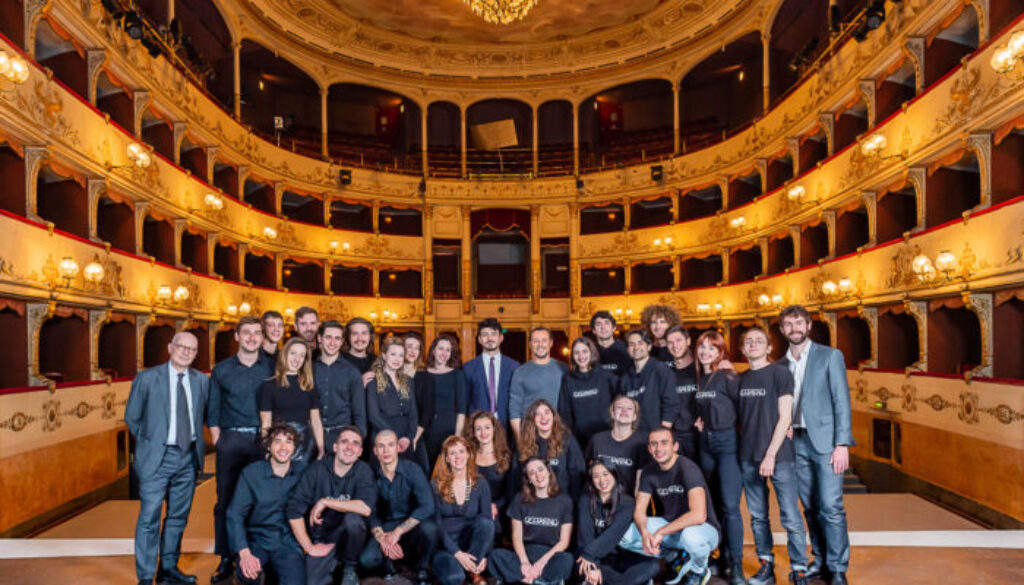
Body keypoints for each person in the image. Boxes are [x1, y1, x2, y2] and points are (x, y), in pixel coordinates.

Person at [124, 332, 210, 585]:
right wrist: (151, 443)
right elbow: (132, 417)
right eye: (181, 347)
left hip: (188, 457)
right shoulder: (147, 378)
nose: (186, 352)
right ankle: (145, 576)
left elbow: (203, 415)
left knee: (178, 517)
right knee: (149, 517)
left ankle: (168, 569)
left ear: (196, 354)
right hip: (157, 458)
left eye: (191, 349)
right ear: (170, 347)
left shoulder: (201, 381)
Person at [779, 305, 854, 585]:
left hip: (826, 442)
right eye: (788, 324)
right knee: (809, 506)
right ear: (782, 330)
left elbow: (841, 401)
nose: (794, 328)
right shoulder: (780, 364)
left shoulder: (830, 356)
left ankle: (837, 567)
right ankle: (820, 560)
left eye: (799, 322)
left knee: (831, 506)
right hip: (795, 442)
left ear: (809, 326)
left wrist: (842, 443)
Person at [738, 327, 808, 585]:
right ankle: (766, 565)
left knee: (790, 516)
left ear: (769, 348)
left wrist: (770, 455)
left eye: (759, 341)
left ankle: (799, 568)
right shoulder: (741, 379)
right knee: (758, 517)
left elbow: (785, 417)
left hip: (779, 457)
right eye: (748, 341)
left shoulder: (780, 373)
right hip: (748, 457)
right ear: (742, 349)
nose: (753, 344)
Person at [208, 316, 275, 584]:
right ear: (236, 336)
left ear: (262, 337)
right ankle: (226, 557)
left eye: (257, 333)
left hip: (262, 441)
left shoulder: (271, 367)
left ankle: (256, 554)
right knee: (225, 501)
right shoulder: (222, 369)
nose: (251, 337)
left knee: (260, 500)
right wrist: (219, 440)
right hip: (232, 440)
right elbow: (213, 408)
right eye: (246, 332)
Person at [620, 428, 720, 585]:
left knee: (691, 537)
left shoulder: (688, 468)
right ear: (649, 449)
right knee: (625, 535)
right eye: (654, 444)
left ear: (675, 446)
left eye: (664, 443)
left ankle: (699, 570)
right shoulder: (648, 471)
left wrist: (661, 532)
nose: (658, 448)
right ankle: (674, 557)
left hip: (704, 530)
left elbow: (699, 515)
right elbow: (639, 509)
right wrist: (644, 532)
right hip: (673, 528)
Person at [287, 426, 376, 585]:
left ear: (360, 451)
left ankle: (349, 568)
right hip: (323, 538)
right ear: (335, 447)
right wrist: (309, 546)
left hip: (350, 539)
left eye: (355, 443)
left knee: (353, 520)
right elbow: (294, 509)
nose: (349, 447)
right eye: (344, 442)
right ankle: (333, 565)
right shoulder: (317, 469)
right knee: (312, 581)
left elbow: (366, 508)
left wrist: (325, 501)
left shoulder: (363, 470)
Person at [692, 330, 744, 584]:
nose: (705, 352)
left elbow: (745, 407)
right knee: (712, 505)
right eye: (702, 347)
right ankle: (719, 557)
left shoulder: (727, 375)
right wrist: (700, 421)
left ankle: (736, 565)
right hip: (705, 444)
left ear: (720, 352)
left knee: (730, 506)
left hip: (727, 443)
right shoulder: (700, 378)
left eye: (712, 348)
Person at [226, 424, 304, 585]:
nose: (283, 447)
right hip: (257, 541)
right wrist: (244, 553)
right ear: (268, 446)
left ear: (294, 448)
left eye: (288, 442)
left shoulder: (303, 474)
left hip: (287, 542)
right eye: (277, 441)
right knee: (249, 574)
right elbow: (235, 514)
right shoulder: (251, 473)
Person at [360, 430, 439, 585]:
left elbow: (427, 506)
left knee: (430, 529)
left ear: (398, 447)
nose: (386, 450)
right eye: (381, 446)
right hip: (385, 527)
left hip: (412, 525)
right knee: (366, 560)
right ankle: (390, 566)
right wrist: (382, 538)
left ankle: (422, 568)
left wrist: (398, 532)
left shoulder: (413, 469)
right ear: (375, 451)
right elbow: (370, 511)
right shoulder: (370, 474)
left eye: (390, 445)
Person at [489, 458, 574, 585]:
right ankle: (537, 581)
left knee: (567, 560)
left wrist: (542, 562)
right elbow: (516, 537)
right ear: (529, 479)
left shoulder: (565, 501)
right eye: (532, 473)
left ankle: (525, 579)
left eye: (540, 469)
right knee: (496, 556)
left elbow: (564, 541)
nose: (538, 475)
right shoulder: (519, 499)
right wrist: (524, 562)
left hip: (550, 555)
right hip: (526, 552)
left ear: (548, 471)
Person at [576, 461, 661, 585]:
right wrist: (594, 566)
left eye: (606, 474)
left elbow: (612, 535)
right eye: (596, 476)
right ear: (591, 480)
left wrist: (598, 570)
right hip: (593, 557)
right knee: (582, 566)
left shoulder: (627, 503)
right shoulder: (585, 499)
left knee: (654, 565)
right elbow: (585, 535)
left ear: (614, 475)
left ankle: (606, 580)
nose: (602, 480)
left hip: (621, 557)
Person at [431, 436, 494, 585]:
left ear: (468, 454)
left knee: (485, 522)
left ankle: (473, 568)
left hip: (472, 544)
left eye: (461, 451)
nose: (457, 456)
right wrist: (457, 553)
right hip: (446, 545)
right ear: (447, 458)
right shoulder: (435, 485)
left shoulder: (481, 483)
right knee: (454, 578)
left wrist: (484, 555)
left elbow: (488, 523)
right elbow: (436, 525)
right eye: (452, 453)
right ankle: (469, 571)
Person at [259, 337, 324, 469]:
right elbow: (266, 423)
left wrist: (321, 448)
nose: (297, 359)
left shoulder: (309, 386)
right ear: (285, 354)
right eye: (293, 353)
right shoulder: (268, 386)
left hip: (305, 444)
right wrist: (267, 448)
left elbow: (316, 420)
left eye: (302, 355)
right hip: (280, 444)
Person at [367, 337, 426, 467]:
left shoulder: (408, 381)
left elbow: (413, 413)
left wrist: (409, 437)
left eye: (400, 355)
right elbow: (373, 415)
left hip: (405, 439)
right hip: (384, 437)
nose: (397, 359)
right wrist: (394, 438)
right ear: (384, 356)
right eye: (393, 354)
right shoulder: (373, 380)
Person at [515, 399, 585, 499]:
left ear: (553, 416)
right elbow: (515, 479)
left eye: (547, 412)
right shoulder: (525, 443)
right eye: (538, 414)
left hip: (562, 500)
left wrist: (572, 503)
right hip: (533, 501)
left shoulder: (567, 440)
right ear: (532, 419)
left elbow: (577, 476)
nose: (543, 417)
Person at [314, 320, 367, 454]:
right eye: (328, 337)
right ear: (320, 338)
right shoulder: (309, 369)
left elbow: (359, 412)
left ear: (342, 341)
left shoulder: (352, 371)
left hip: (342, 435)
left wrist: (358, 440)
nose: (333, 343)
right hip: (312, 434)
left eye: (337, 338)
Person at [508, 327, 567, 442]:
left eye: (544, 340)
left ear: (551, 343)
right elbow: (514, 408)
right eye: (536, 341)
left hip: (558, 432)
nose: (540, 345)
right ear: (530, 344)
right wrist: (520, 439)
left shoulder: (563, 369)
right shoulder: (520, 372)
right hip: (530, 433)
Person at [465, 318, 520, 436]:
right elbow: (465, 402)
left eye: (493, 334)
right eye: (485, 335)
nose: (489, 338)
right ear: (479, 339)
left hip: (507, 429)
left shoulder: (514, 367)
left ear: (501, 338)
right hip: (478, 430)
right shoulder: (468, 368)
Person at [420, 334, 469, 467]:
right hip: (426, 431)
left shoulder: (457, 375)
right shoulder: (422, 374)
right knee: (426, 469)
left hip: (448, 430)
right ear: (433, 350)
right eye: (441, 348)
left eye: (448, 350)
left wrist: (457, 437)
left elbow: (461, 410)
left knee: (447, 470)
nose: (444, 353)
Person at [585, 394, 649, 494]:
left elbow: (641, 482)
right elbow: (589, 472)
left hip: (628, 499)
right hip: (601, 497)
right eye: (619, 407)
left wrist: (635, 503)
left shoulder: (642, 442)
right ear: (612, 413)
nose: (624, 411)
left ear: (634, 416)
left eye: (629, 408)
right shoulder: (597, 440)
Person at [462, 410, 514, 534]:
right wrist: (482, 507)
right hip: (472, 507)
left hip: (499, 508)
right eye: (478, 429)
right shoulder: (467, 456)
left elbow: (510, 492)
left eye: (487, 427)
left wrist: (493, 506)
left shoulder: (507, 456)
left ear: (494, 429)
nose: (483, 433)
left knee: (493, 525)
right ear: (473, 432)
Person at [558, 336, 615, 446]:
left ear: (591, 352)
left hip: (605, 436)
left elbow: (619, 400)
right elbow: (564, 413)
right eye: (576, 353)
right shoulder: (568, 379)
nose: (581, 356)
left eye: (584, 351)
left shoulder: (605, 375)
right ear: (572, 356)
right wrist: (569, 439)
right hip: (579, 440)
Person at [622, 328, 679, 432]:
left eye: (640, 343)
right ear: (627, 349)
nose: (636, 347)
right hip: (633, 434)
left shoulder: (661, 370)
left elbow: (671, 404)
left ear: (649, 346)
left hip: (656, 434)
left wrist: (663, 431)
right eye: (631, 344)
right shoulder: (625, 377)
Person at [666, 324, 700, 460]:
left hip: (700, 435)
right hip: (677, 438)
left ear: (688, 341)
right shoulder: (666, 374)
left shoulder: (701, 369)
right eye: (670, 342)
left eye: (678, 340)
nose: (675, 345)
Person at [590, 310, 631, 378]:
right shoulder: (588, 352)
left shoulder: (626, 350)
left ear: (614, 328)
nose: (603, 327)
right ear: (593, 330)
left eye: (607, 323)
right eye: (598, 324)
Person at [343, 317, 377, 385]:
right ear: (348, 337)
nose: (359, 338)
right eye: (355, 334)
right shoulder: (339, 361)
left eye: (364, 333)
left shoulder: (377, 361)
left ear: (370, 336)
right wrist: (359, 384)